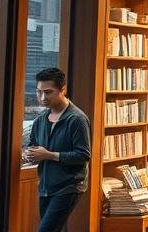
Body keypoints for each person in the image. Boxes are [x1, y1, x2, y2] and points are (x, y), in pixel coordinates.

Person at [23, 67, 91, 232]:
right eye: (39, 92)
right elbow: (32, 145)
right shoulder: (40, 120)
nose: (42, 97)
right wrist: (29, 154)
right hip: (46, 186)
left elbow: (83, 155)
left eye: (48, 92)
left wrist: (49, 155)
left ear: (63, 89)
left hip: (69, 186)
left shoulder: (77, 119)